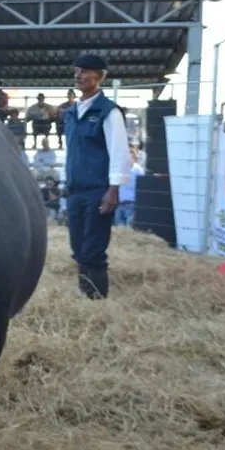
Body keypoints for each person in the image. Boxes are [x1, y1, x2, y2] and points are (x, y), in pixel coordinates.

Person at [62, 53, 131, 299]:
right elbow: (72, 152)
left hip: (98, 190)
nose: (79, 75)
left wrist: (114, 189)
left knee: (93, 249)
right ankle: (85, 294)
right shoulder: (70, 113)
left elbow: (119, 151)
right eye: (77, 71)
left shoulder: (109, 112)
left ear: (100, 77)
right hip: (75, 190)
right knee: (78, 247)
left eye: (86, 71)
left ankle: (97, 302)